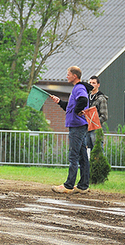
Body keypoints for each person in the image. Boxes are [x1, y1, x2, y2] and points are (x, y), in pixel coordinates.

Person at [50, 66, 92, 194]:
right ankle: (83, 186)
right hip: (79, 126)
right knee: (83, 157)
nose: (66, 76)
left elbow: (83, 100)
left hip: (77, 127)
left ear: (75, 76)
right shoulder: (77, 88)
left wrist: (78, 110)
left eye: (68, 74)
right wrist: (59, 102)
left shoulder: (79, 88)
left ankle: (68, 185)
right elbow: (71, 107)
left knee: (73, 156)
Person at [86, 75, 109, 151]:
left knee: (98, 150)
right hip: (86, 128)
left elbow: (104, 116)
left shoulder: (101, 98)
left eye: (93, 83)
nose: (91, 85)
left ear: (98, 85)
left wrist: (93, 122)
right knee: (86, 151)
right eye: (90, 83)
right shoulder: (86, 97)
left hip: (96, 129)